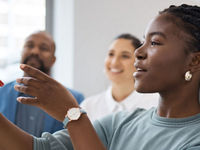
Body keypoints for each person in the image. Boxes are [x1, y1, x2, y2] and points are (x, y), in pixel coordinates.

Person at [1, 3, 200, 150]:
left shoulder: (194, 138)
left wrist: (73, 115)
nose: (138, 52)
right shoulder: (121, 123)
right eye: (143, 42)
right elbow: (37, 148)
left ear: (194, 61)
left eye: (155, 42)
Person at [0, 31, 84, 137]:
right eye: (30, 45)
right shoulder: (1, 93)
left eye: (43, 48)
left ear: (53, 60)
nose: (35, 51)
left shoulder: (74, 99)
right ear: (21, 52)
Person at [81, 33, 159, 121]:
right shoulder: (88, 106)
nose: (114, 62)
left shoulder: (155, 105)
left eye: (125, 56)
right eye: (111, 54)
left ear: (139, 62)